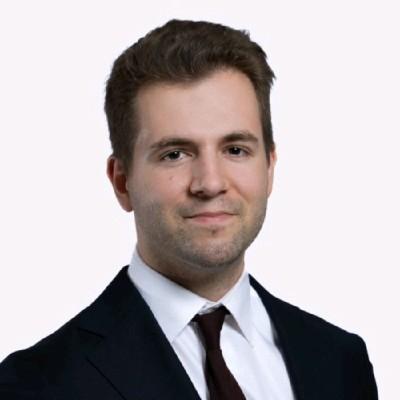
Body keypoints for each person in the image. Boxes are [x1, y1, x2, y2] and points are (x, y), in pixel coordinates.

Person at [0, 19, 378, 400]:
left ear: (269, 168)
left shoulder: (340, 362)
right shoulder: (35, 385)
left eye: (235, 150)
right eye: (175, 154)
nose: (210, 183)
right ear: (122, 181)